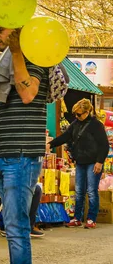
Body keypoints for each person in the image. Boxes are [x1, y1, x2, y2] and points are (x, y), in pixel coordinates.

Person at [0, 24, 49, 264]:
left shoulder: (33, 58)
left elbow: (28, 94)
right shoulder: (11, 60)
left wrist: (17, 49)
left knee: (17, 227)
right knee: (14, 226)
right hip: (10, 155)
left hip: (22, 156)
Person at [49, 98, 109, 229]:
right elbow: (65, 136)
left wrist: (99, 162)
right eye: (75, 114)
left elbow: (104, 145)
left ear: (88, 112)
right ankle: (77, 218)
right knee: (79, 191)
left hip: (93, 162)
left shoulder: (96, 125)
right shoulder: (75, 124)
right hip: (81, 162)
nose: (76, 116)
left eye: (79, 114)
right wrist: (50, 144)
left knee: (92, 191)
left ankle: (91, 219)